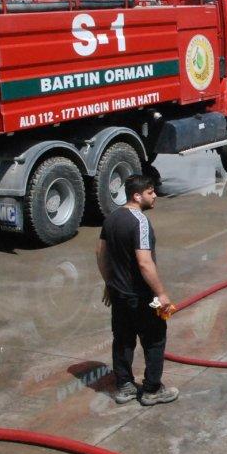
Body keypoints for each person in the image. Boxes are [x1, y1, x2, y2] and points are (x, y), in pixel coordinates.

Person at [96, 174, 178, 406]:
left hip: (119, 295)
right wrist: (161, 294)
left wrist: (108, 283)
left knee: (122, 340)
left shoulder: (111, 219)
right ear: (137, 195)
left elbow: (100, 254)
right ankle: (152, 390)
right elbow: (144, 262)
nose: (155, 196)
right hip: (141, 296)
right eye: (151, 192)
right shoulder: (139, 221)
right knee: (154, 340)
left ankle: (124, 386)